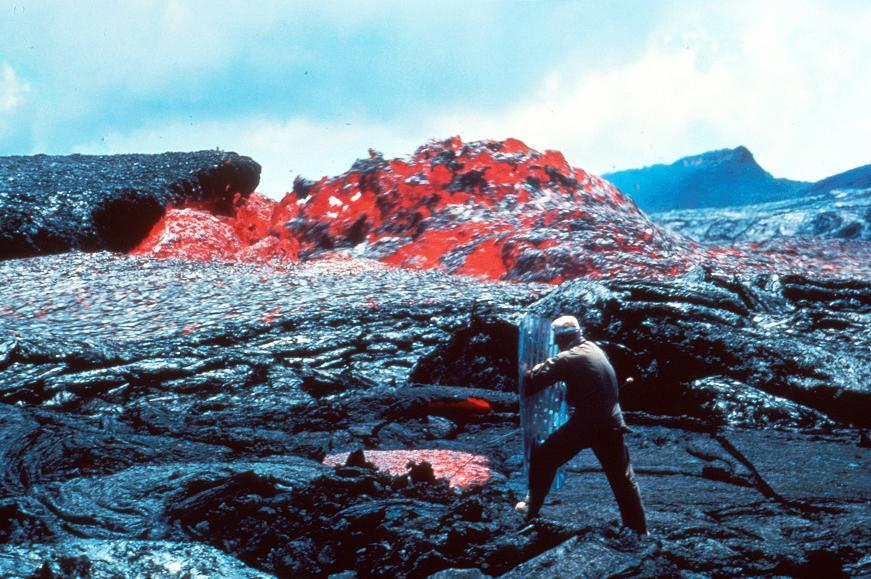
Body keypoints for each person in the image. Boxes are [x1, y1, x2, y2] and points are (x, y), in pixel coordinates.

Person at [515, 315, 648, 535]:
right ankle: (639, 529)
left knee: (544, 457)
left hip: (590, 422)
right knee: (622, 476)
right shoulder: (594, 349)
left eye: (557, 340)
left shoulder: (569, 358)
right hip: (613, 420)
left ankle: (531, 510)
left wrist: (524, 367)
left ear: (561, 339)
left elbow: (531, 382)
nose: (556, 344)